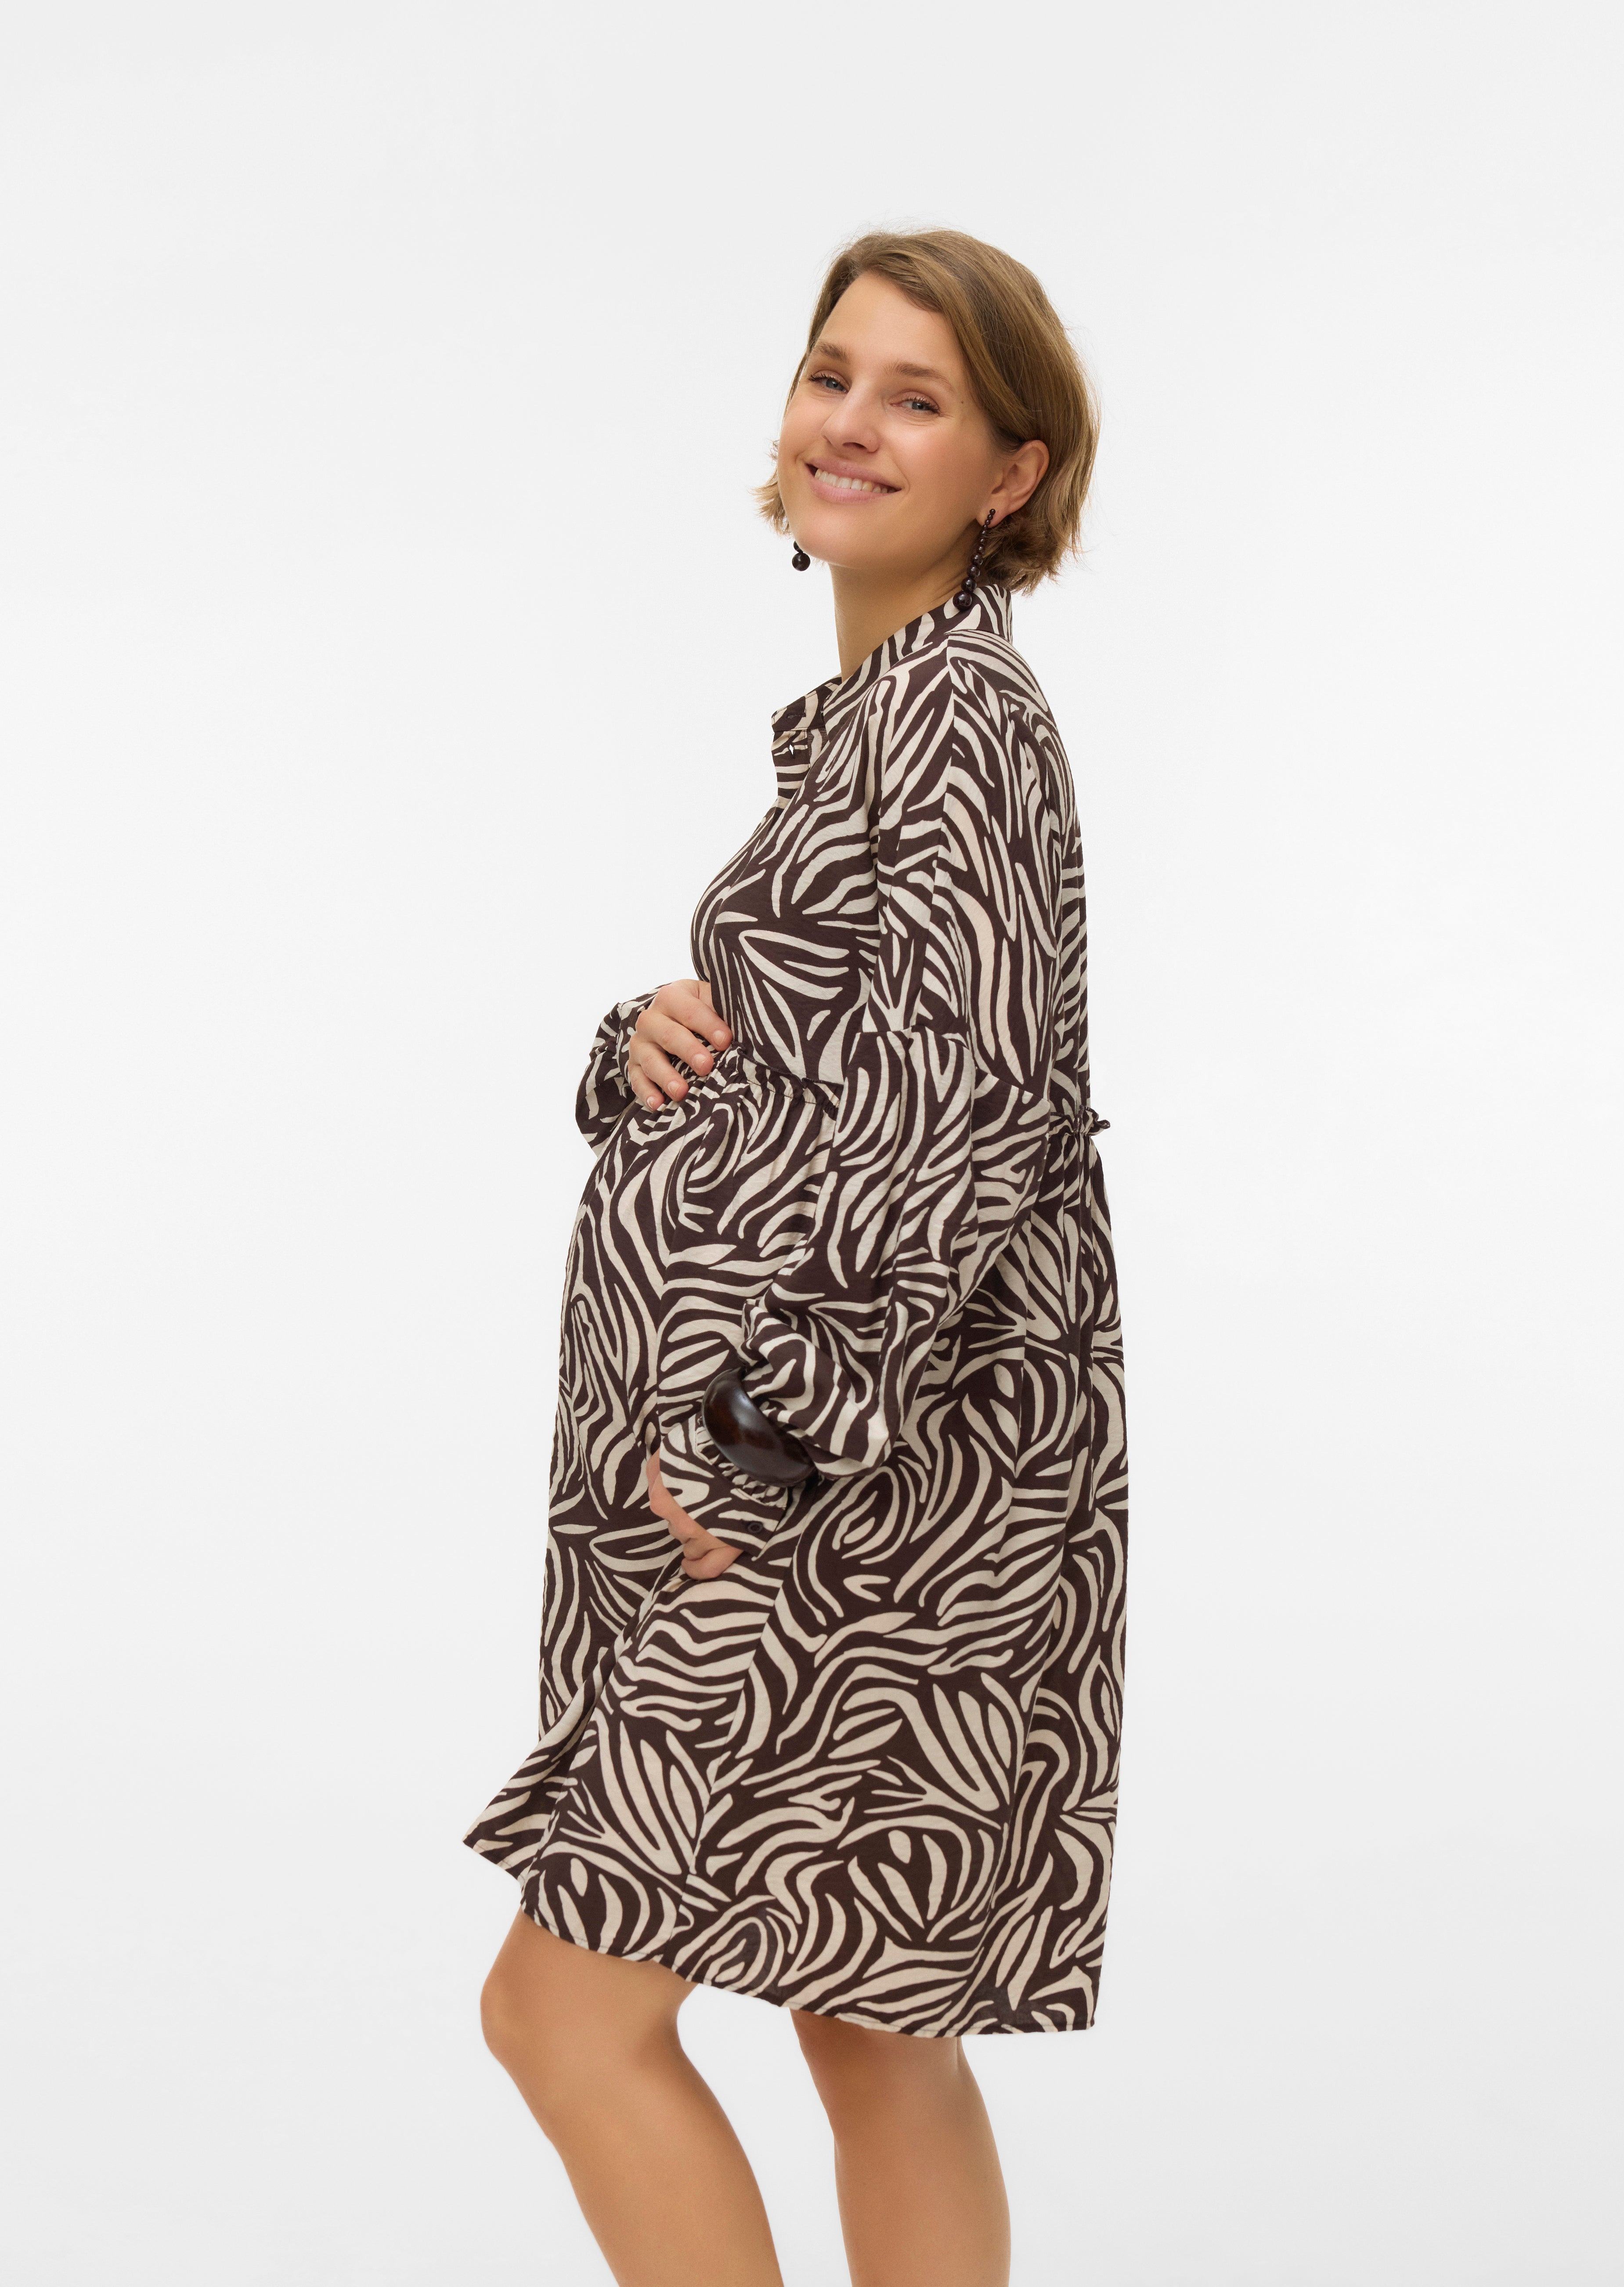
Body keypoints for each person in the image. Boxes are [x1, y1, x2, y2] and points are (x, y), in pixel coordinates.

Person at [465, 227, 1128, 2287]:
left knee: (564, 2013)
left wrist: (759, 1439)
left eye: (916, 398)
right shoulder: (877, 719)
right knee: (869, 2015)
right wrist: (639, 1045)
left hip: (831, 1497)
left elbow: (975, 1120)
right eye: (831, 372)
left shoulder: (952, 725)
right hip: (835, 1480)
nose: (848, 421)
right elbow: (854, 1069)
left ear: (1008, 472)